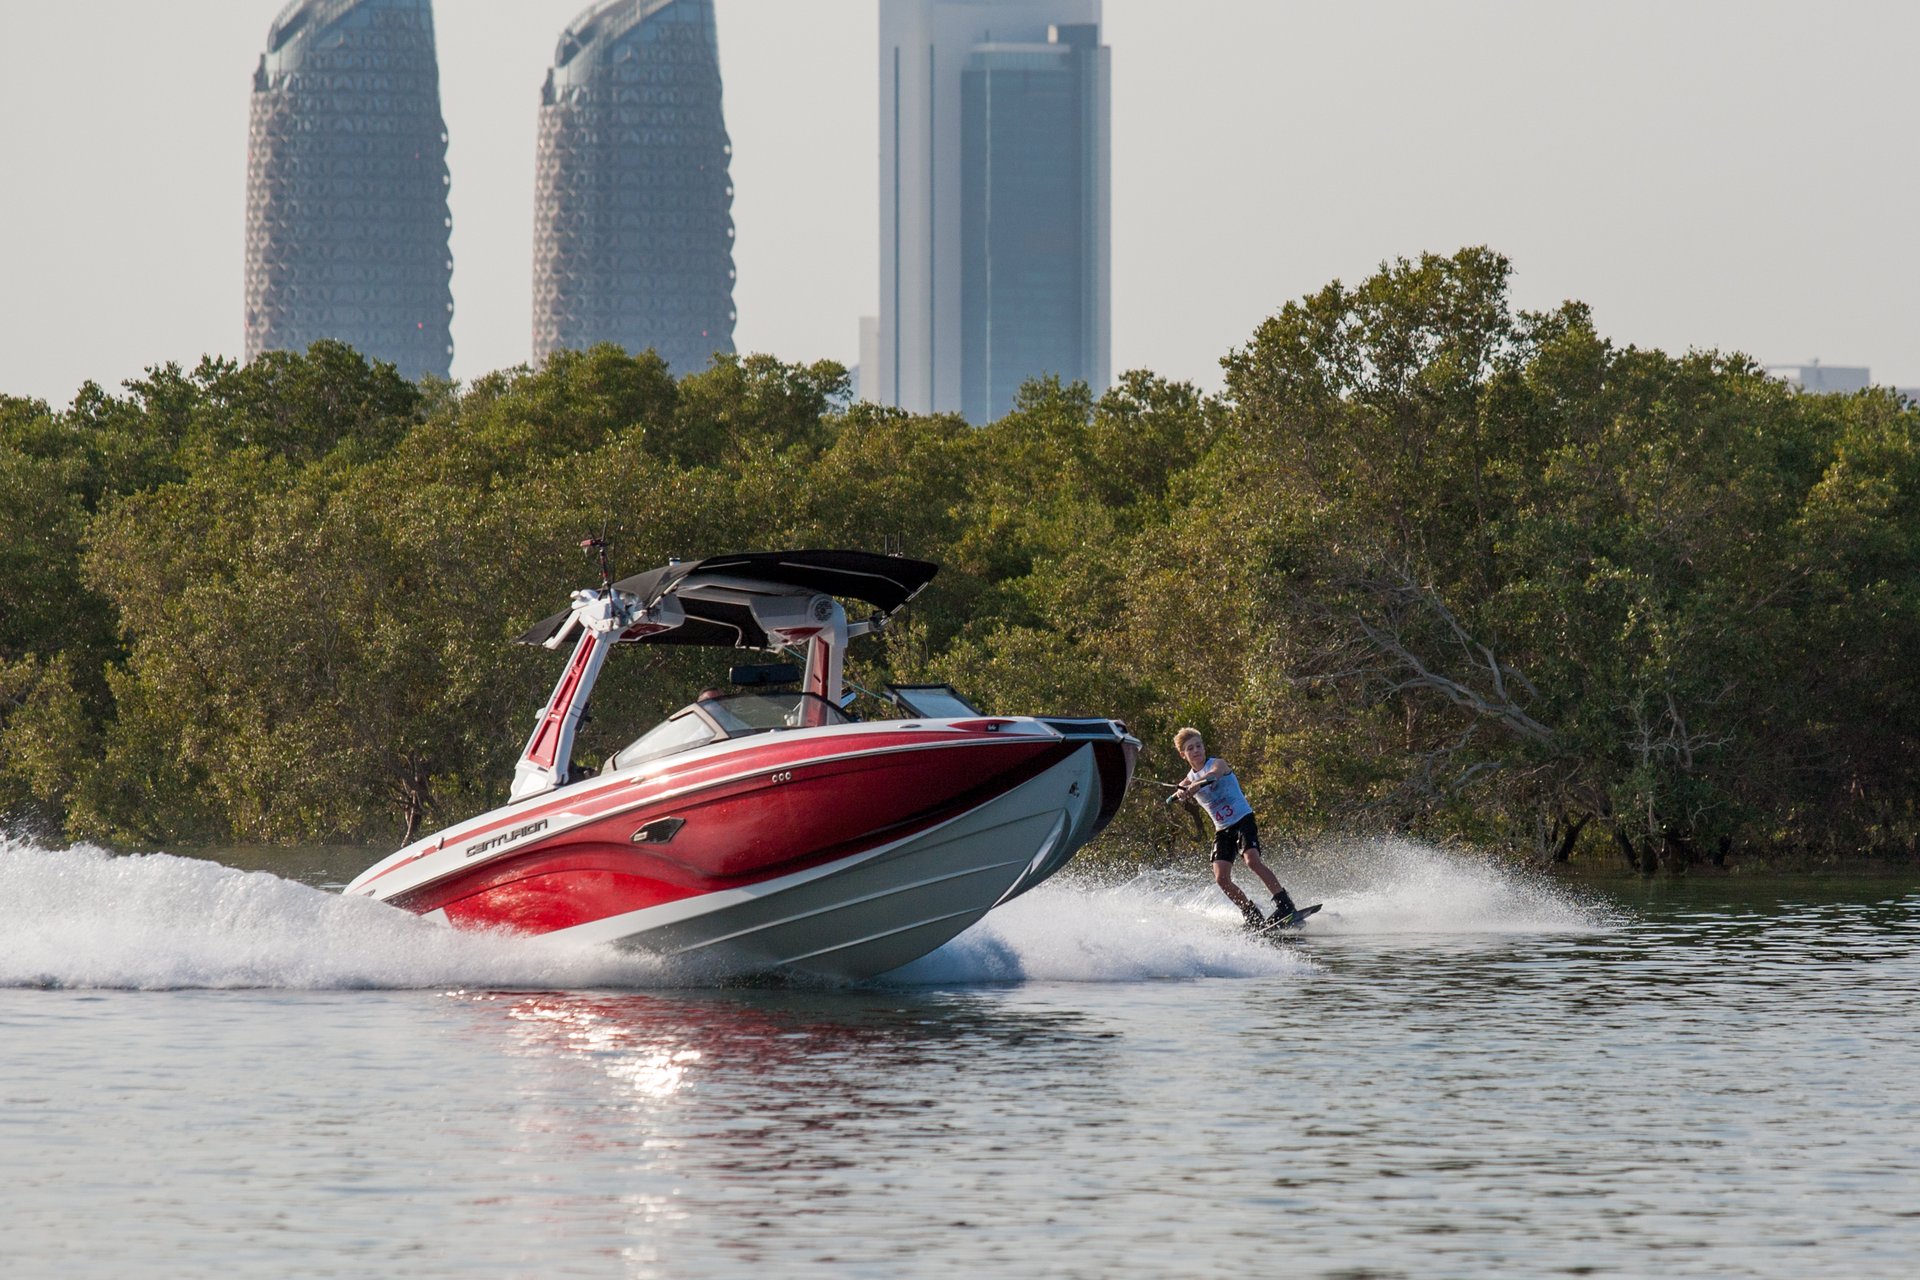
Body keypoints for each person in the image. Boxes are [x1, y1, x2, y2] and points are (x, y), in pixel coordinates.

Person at [1172, 727, 1300, 930]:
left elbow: (1214, 775)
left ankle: (1285, 904)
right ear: (1183, 754)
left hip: (1242, 820)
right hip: (1222, 829)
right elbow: (1182, 788)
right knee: (1221, 878)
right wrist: (1181, 793)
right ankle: (1252, 914)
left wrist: (1197, 786)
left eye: (1199, 745)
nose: (1196, 750)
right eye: (1190, 748)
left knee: (1252, 861)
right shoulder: (1187, 780)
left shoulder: (1217, 763)